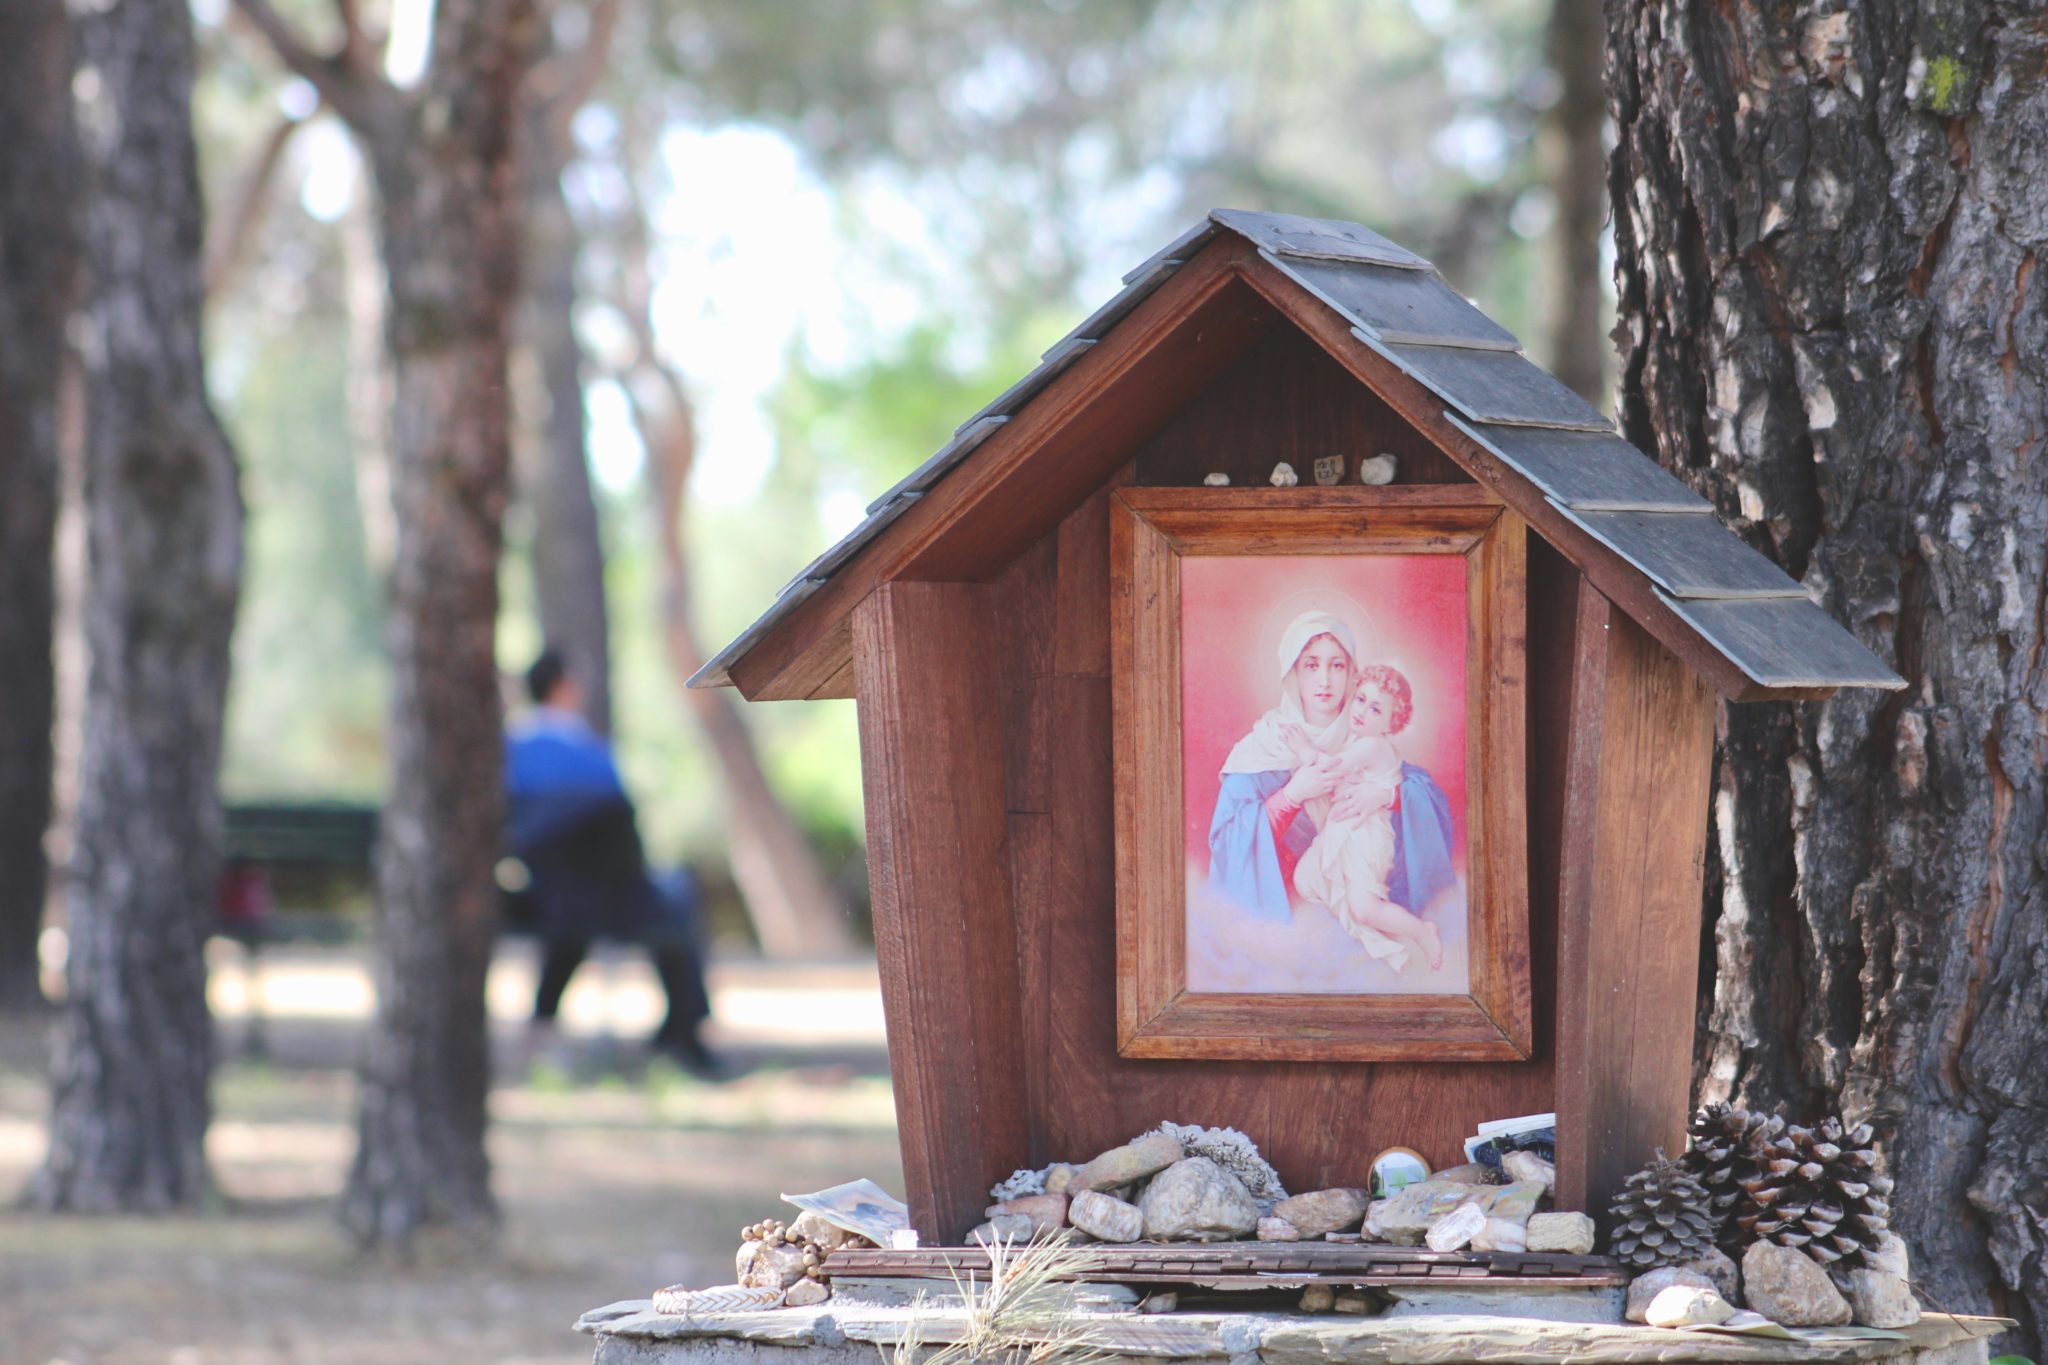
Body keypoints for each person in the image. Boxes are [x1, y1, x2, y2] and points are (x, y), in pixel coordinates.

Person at [505, 648, 724, 1077]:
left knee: (573, 931)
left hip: (548, 897)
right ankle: (683, 1033)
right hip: (611, 900)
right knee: (677, 901)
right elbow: (623, 837)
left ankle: (542, 1027)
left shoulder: (508, 755)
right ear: (563, 688)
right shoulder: (593, 758)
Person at [1206, 610, 1456, 928]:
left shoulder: (1366, 733)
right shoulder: (1261, 748)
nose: (1324, 680)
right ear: (1292, 672)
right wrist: (1291, 796)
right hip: (1290, 919)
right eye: (1311, 665)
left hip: (1364, 907)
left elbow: (1429, 800)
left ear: (1352, 673)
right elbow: (1227, 845)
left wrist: (1385, 795)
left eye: (1336, 665)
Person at [1288, 665, 1445, 972]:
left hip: (1365, 839)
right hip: (1348, 833)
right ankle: (1385, 924)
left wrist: (1303, 749)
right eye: (1360, 699)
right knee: (1307, 879)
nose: (1362, 711)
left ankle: (1421, 931)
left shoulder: (1373, 745)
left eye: (1375, 709)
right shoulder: (1358, 741)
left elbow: (1329, 770)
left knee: (1363, 909)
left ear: (1390, 723)